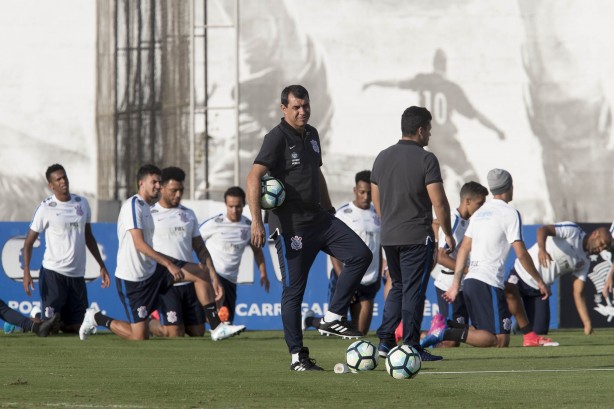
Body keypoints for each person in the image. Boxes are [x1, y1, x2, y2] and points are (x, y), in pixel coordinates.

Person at [246, 85, 372, 371]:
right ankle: (297, 357)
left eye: (306, 106)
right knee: (294, 291)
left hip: (320, 219)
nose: (302, 111)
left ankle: (333, 316)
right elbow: (253, 177)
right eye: (296, 107)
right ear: (284, 109)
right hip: (291, 227)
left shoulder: (312, 134)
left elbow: (316, 172)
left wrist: (328, 208)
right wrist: (256, 220)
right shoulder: (276, 138)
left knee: (360, 255)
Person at [78, 164, 245, 341]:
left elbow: (199, 248)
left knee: (200, 272)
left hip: (155, 270)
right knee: (139, 336)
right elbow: (139, 245)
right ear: (141, 183)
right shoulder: (133, 206)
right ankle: (95, 318)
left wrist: (213, 277)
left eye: (159, 182)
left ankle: (217, 327)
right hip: (134, 278)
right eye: (154, 182)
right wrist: (169, 264)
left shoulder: (149, 208)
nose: (158, 185)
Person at [423, 169, 551, 349]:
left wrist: (456, 283)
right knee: (498, 341)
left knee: (490, 335)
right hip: (487, 282)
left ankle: (448, 327)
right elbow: (521, 253)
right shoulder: (510, 213)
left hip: (471, 282)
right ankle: (445, 331)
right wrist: (539, 281)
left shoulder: (479, 214)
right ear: (510, 187)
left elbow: (463, 250)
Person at [371, 106, 455, 362]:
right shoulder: (426, 159)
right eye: (429, 129)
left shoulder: (382, 157)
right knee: (414, 292)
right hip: (416, 237)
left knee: (398, 286)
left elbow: (377, 199)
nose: (429, 135)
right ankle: (410, 345)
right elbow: (439, 202)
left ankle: (385, 341)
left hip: (390, 236)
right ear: (420, 130)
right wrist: (448, 233)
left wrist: (390, 223)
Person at [363, 49, 505, 187]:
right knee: (466, 170)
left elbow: (396, 83)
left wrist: (374, 82)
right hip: (447, 141)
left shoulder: (422, 81)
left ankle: (439, 183)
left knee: (435, 173)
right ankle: (472, 195)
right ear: (445, 66)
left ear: (434, 64)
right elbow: (476, 115)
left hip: (428, 142)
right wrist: (497, 129)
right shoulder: (452, 88)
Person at [22, 164, 110, 333]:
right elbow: (28, 242)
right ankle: (35, 318)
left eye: (64, 177)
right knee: (49, 330)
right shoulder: (46, 208)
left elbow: (88, 236)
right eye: (58, 179)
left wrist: (101, 265)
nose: (63, 181)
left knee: (78, 328)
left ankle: (50, 319)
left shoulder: (82, 204)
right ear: (51, 185)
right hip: (53, 274)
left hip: (77, 275)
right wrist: (26, 271)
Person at [302, 170, 383, 336]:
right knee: (332, 328)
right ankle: (310, 320)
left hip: (369, 280)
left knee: (359, 332)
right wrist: (344, 280)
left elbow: (378, 247)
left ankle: (356, 361)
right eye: (362, 192)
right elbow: (334, 251)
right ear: (355, 190)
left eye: (369, 193)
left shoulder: (378, 214)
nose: (366, 197)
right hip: (347, 277)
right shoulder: (343, 213)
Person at [148, 167, 224, 338]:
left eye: (181, 190)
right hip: (167, 283)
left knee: (198, 332)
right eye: (173, 190)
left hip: (191, 282)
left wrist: (213, 276)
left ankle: (213, 327)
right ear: (162, 188)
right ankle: (148, 324)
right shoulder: (150, 214)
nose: (178, 194)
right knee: (175, 333)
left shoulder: (188, 214)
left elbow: (200, 249)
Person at [508, 224, 611, 339]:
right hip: (521, 273)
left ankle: (520, 324)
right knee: (503, 318)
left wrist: (587, 323)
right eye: (601, 243)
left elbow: (578, 292)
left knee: (540, 332)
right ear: (595, 234)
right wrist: (542, 250)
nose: (601, 249)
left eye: (605, 248)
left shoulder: (585, 262)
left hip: (541, 289)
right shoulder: (573, 231)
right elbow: (543, 230)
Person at [429, 181, 489, 348]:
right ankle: (417, 339)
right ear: (467, 201)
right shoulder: (454, 220)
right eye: (480, 203)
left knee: (464, 333)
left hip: (462, 284)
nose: (482, 207)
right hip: (449, 284)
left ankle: (425, 335)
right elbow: (441, 256)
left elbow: (435, 223)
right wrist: (468, 270)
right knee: (450, 340)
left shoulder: (469, 221)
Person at [199, 186, 270, 324]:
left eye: (238, 206)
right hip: (213, 275)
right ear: (226, 205)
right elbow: (195, 241)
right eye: (230, 206)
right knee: (214, 317)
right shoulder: (214, 224)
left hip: (231, 278)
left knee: (227, 321)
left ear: (244, 204)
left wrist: (263, 273)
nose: (234, 210)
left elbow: (257, 251)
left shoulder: (248, 226)